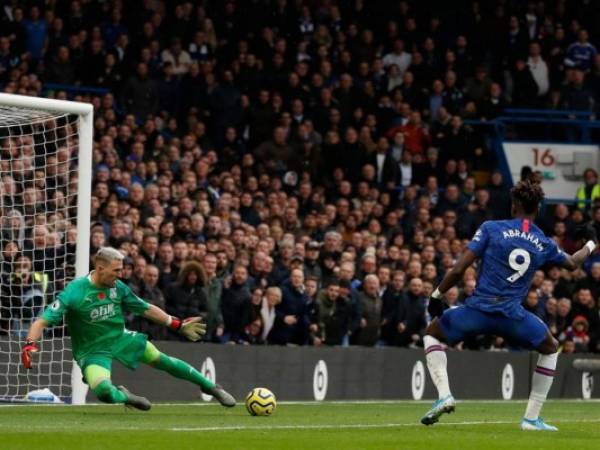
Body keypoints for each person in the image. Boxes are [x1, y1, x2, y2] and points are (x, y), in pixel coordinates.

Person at [420, 180, 598, 430]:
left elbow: (460, 268)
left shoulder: (491, 228)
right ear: (537, 209)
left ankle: (444, 395)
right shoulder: (542, 241)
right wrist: (591, 243)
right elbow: (572, 263)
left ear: (513, 206)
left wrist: (437, 295)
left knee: (432, 334)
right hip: (512, 316)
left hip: (477, 311)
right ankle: (531, 418)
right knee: (550, 348)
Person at [21, 247, 235, 410]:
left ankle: (211, 387)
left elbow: (145, 308)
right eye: (115, 270)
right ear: (100, 268)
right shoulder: (75, 291)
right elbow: (41, 322)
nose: (120, 275)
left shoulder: (118, 287)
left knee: (161, 359)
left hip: (120, 338)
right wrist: (30, 345)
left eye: (121, 270)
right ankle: (124, 396)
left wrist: (176, 324)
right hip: (92, 351)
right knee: (104, 392)